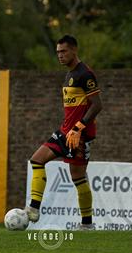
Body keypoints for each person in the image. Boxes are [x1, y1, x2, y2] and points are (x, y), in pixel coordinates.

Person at [26, 35, 102, 230]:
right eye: (58, 52)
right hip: (64, 132)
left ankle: (87, 225)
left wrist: (78, 128)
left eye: (63, 51)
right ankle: (33, 209)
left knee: (78, 177)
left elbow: (97, 105)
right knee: (37, 160)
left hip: (79, 135)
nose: (60, 55)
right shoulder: (68, 74)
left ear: (74, 50)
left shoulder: (85, 74)